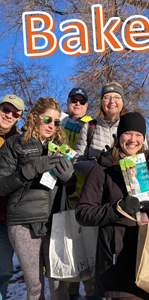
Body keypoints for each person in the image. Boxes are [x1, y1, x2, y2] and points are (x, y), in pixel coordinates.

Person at [75, 112, 149, 299]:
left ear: (143, 139)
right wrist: (116, 209)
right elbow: (83, 212)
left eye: (138, 135)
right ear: (119, 135)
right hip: (116, 262)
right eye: (128, 133)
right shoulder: (104, 166)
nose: (133, 140)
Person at [0, 97, 76, 300]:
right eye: (47, 120)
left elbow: (69, 189)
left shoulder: (61, 147)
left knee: (59, 284)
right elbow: (1, 186)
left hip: (55, 223)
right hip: (23, 224)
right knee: (34, 287)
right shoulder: (15, 144)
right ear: (34, 118)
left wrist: (70, 179)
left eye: (57, 122)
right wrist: (30, 170)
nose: (52, 126)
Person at [61, 88, 100, 300]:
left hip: (83, 194)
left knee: (87, 245)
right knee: (66, 244)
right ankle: (71, 292)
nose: (77, 103)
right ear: (67, 102)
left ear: (87, 105)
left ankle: (92, 291)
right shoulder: (58, 123)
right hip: (59, 194)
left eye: (82, 101)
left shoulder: (91, 124)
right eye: (74, 100)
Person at [73, 82, 128, 177]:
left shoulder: (131, 125)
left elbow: (143, 158)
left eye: (117, 97)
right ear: (102, 103)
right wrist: (98, 165)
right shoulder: (89, 127)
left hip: (124, 188)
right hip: (97, 188)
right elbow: (77, 163)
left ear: (122, 102)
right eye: (107, 97)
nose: (112, 101)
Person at [0, 94, 25, 300]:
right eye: (5, 109)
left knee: (4, 270)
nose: (9, 115)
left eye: (14, 113)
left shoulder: (19, 142)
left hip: (5, 217)